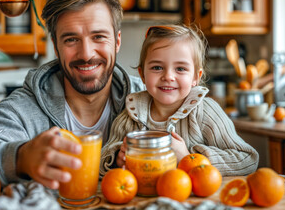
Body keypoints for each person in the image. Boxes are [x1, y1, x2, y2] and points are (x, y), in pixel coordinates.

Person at [0, 0, 144, 189]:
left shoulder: (147, 97)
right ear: (55, 46)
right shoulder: (27, 106)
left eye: (98, 37)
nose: (86, 54)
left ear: (117, 41)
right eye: (71, 39)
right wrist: (21, 158)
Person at [100, 24, 259, 177]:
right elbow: (102, 160)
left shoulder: (205, 112)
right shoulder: (130, 116)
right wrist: (116, 161)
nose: (168, 76)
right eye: (157, 67)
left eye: (180, 69)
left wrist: (188, 158)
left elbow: (247, 159)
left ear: (196, 77)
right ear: (142, 74)